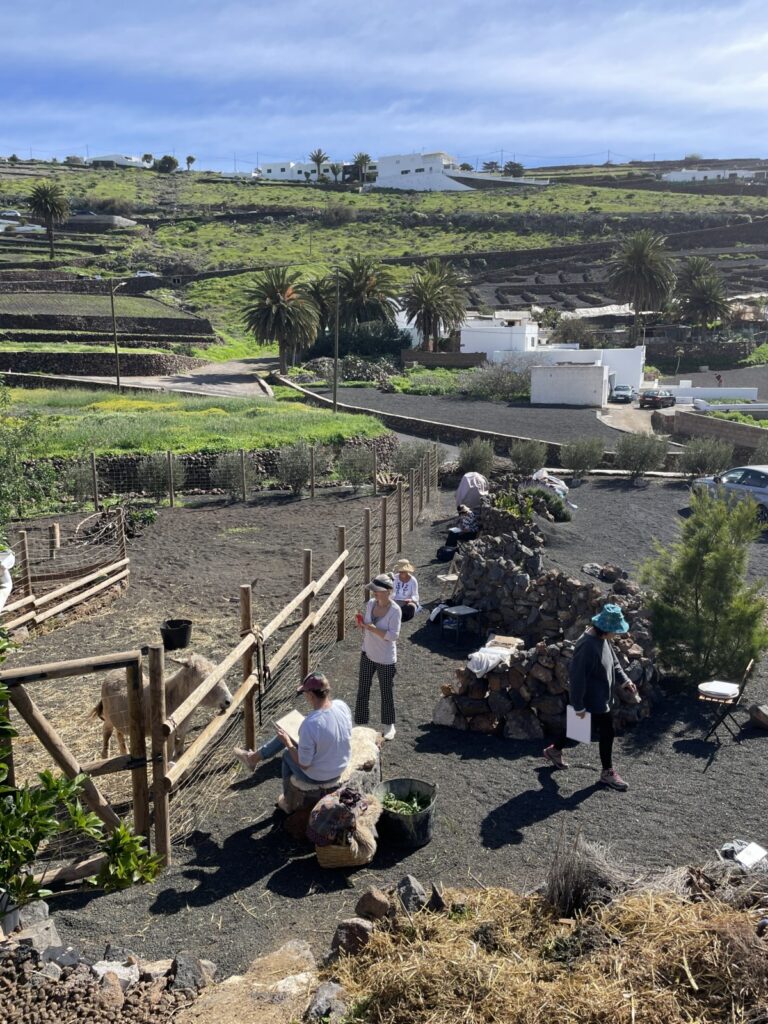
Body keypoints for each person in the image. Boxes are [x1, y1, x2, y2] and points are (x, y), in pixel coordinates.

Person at [543, 604, 636, 791]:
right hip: (592, 699)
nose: (616, 634)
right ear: (606, 629)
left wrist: (625, 680)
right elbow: (577, 678)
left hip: (601, 696)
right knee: (607, 731)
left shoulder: (603, 639)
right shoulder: (586, 646)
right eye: (615, 631)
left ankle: (554, 750)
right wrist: (578, 706)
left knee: (578, 728)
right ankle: (607, 772)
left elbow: (614, 662)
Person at [234, 672, 352, 812]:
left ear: (311, 695)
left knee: (286, 754)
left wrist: (288, 744)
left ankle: (287, 801)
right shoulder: (341, 706)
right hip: (340, 765)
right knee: (288, 734)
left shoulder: (311, 724)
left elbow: (304, 765)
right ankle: (253, 758)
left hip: (320, 776)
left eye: (305, 693)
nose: (305, 696)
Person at [355, 573, 402, 741]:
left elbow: (393, 636)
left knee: (386, 692)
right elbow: (368, 625)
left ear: (388, 591)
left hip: (385, 658)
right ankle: (360, 722)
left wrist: (372, 628)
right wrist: (362, 625)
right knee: (363, 689)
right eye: (374, 590)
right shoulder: (370, 604)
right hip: (368, 652)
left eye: (377, 590)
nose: (374, 593)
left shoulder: (395, 610)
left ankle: (389, 725)